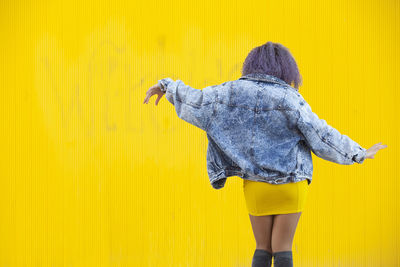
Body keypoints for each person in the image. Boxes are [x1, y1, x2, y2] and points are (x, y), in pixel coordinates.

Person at [143, 41, 387, 267]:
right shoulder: (291, 99)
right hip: (291, 184)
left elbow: (197, 100)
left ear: (252, 64)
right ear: (286, 69)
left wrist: (167, 86)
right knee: (283, 248)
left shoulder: (230, 92)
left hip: (256, 186)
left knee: (262, 248)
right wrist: (359, 153)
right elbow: (321, 134)